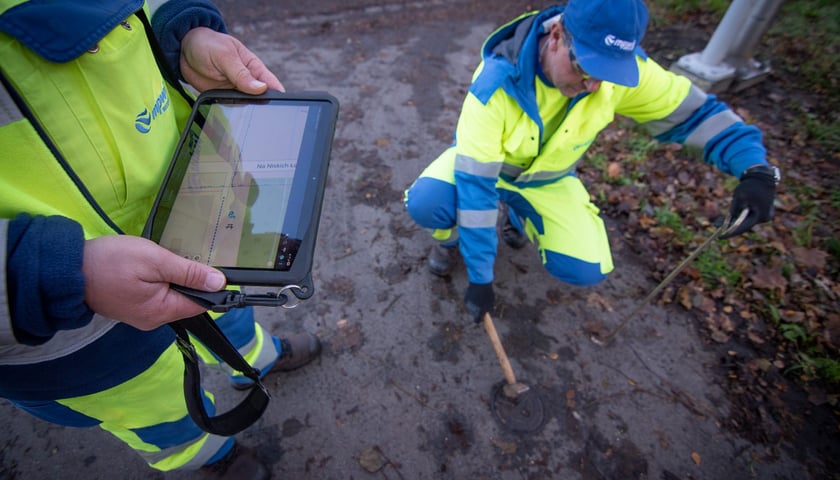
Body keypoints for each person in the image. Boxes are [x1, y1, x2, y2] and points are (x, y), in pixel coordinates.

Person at [0, 0, 321, 478]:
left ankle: (255, 358)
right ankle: (208, 456)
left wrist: (183, 32)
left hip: (198, 201)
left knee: (230, 301)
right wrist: (49, 274)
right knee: (156, 404)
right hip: (74, 323)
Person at [404, 0, 779, 324]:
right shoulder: (495, 84)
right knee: (428, 202)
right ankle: (448, 240)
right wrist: (480, 276)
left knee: (586, 268)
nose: (593, 86)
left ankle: (519, 215)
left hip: (546, 183)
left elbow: (698, 114)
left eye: (606, 74)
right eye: (585, 69)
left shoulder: (618, 71)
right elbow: (475, 186)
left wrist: (754, 169)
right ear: (556, 36)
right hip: (486, 172)